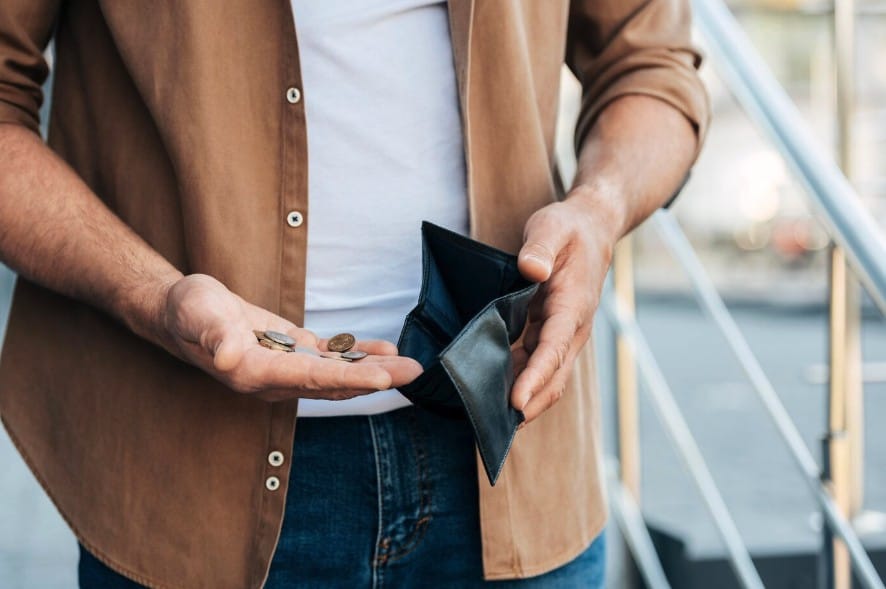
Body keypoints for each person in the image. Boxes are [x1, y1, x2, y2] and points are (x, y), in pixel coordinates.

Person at [0, 1, 708, 587]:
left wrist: (600, 207)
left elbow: (649, 64)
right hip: (184, 481)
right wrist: (153, 296)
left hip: (512, 466)